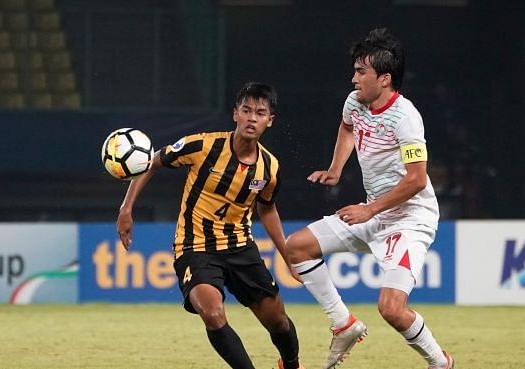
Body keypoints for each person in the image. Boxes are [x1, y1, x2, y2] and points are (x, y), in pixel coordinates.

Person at [285, 28, 454, 369]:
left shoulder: (406, 117)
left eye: (362, 71)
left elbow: (418, 179)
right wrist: (335, 170)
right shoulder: (355, 102)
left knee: (391, 308)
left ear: (385, 78)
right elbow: (347, 127)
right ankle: (343, 324)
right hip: (373, 211)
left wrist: (369, 210)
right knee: (296, 247)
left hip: (409, 219)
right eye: (355, 69)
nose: (354, 78)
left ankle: (440, 362)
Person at [116, 82, 303, 369]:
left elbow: (267, 209)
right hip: (195, 246)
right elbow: (152, 162)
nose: (252, 118)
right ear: (235, 114)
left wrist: (288, 255)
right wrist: (126, 208)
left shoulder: (270, 168)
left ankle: (291, 363)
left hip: (241, 248)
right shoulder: (203, 145)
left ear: (269, 121)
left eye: (260, 113)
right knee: (213, 313)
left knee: (277, 321)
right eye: (247, 110)